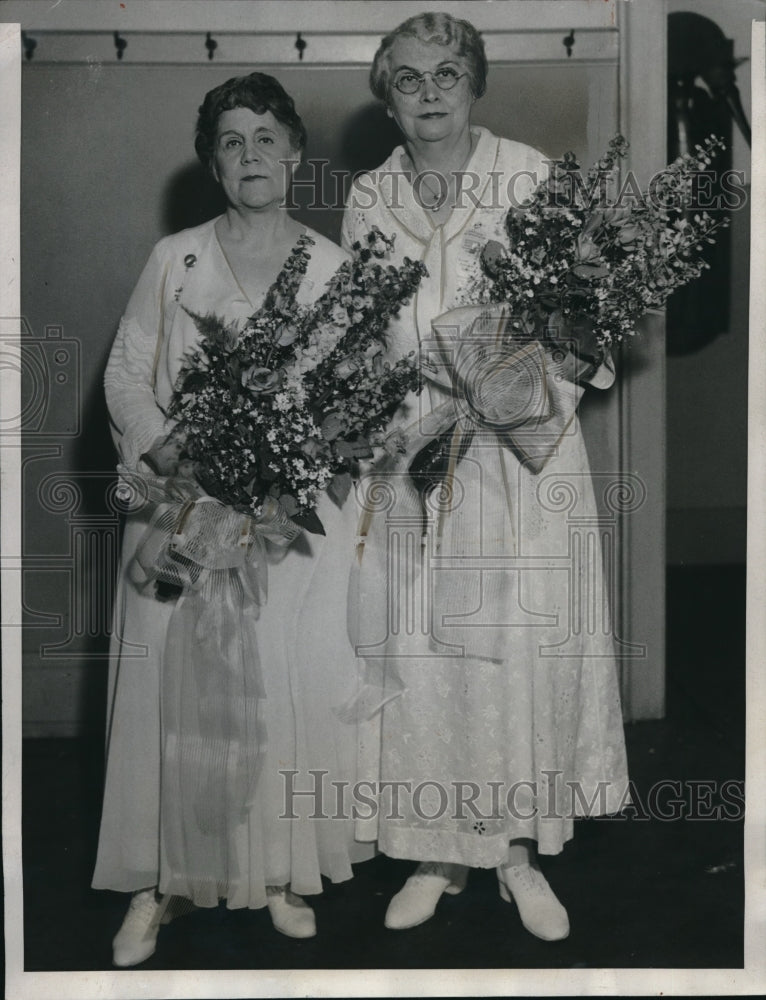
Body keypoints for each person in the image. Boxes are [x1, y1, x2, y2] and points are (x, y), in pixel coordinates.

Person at [342, 12, 630, 941]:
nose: (430, 94)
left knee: (514, 646)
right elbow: (358, 338)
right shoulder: (367, 196)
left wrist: (509, 393)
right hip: (419, 451)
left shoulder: (531, 173)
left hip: (517, 452)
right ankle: (434, 850)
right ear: (387, 95)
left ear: (475, 83)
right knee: (427, 650)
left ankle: (516, 852)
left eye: (446, 74)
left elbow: (586, 324)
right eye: (410, 79)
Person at [92, 71, 371, 967]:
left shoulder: (331, 269)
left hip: (284, 532)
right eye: (231, 143)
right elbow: (127, 374)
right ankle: (160, 882)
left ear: (295, 152)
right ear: (214, 164)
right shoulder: (175, 256)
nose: (250, 155)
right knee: (166, 692)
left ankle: (281, 873)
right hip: (180, 512)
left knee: (280, 689)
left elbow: (349, 405)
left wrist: (293, 473)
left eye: (265, 138)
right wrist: (165, 448)